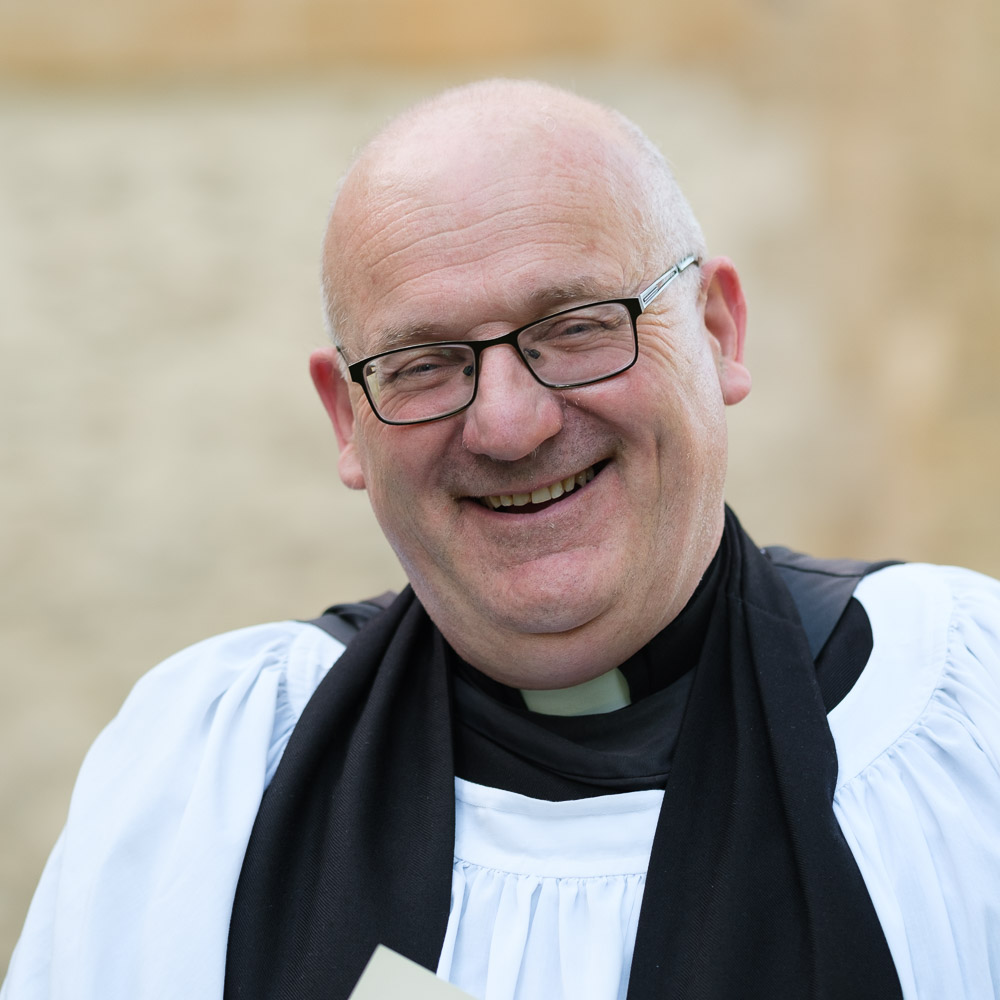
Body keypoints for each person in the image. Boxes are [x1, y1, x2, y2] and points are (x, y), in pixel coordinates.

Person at [3, 79, 999, 1000]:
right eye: (425, 362)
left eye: (574, 325)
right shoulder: (205, 776)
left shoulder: (961, 710)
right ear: (346, 419)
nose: (510, 424)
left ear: (719, 329)